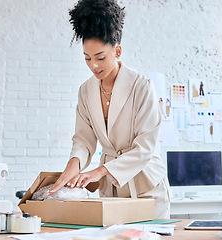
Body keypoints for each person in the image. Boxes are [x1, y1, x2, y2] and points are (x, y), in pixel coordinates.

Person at [48, 0, 170, 219]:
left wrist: (101, 170)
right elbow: (84, 140)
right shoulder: (86, 91)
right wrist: (73, 164)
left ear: (118, 51)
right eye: (87, 58)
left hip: (147, 186)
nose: (94, 65)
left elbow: (145, 148)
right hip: (112, 189)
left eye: (100, 57)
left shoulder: (141, 86)